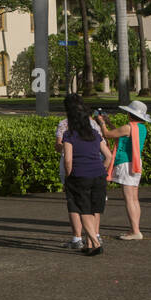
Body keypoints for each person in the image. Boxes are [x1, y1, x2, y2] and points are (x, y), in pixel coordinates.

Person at [62, 98, 116, 256]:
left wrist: (68, 175)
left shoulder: (69, 135)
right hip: (98, 175)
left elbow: (68, 159)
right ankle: (90, 242)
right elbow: (108, 156)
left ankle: (96, 243)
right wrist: (103, 169)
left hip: (79, 176)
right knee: (93, 210)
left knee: (83, 210)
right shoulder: (94, 133)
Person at [97, 100, 150, 240]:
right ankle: (135, 228)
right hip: (136, 163)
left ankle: (135, 231)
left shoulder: (128, 127)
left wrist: (102, 123)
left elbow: (108, 135)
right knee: (134, 198)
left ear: (130, 113)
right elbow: (119, 135)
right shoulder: (141, 127)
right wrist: (108, 122)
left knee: (129, 199)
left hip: (126, 164)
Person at [55, 93, 99, 249]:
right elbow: (101, 143)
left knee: (73, 202)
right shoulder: (93, 124)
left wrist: (69, 146)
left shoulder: (64, 124)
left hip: (71, 164)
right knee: (93, 202)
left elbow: (58, 145)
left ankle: (77, 238)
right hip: (93, 164)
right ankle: (95, 236)